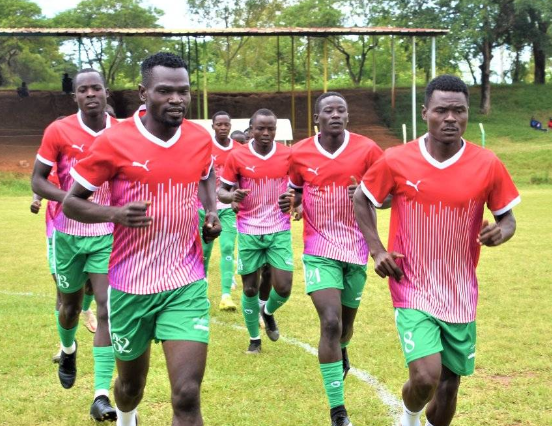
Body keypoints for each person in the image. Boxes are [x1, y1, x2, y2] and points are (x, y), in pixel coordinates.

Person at [63, 52, 221, 426]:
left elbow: (206, 176)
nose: (177, 99)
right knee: (130, 386)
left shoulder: (200, 138)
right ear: (143, 92)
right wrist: (115, 214)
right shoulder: (114, 141)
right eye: (165, 91)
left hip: (185, 284)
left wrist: (211, 210)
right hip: (131, 288)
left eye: (183, 91)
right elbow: (71, 203)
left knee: (186, 394)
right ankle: (126, 417)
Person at [354, 75, 520, 426]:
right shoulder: (396, 159)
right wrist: (377, 249)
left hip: (460, 291)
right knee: (425, 378)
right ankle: (409, 415)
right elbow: (362, 198)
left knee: (448, 385)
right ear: (425, 111)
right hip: (411, 283)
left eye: (459, 111)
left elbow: (507, 219)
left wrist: (500, 233)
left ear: (467, 114)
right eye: (442, 110)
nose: (450, 118)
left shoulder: (487, 163)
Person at [279, 92, 383, 426]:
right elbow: (293, 190)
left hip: (357, 248)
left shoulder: (368, 150)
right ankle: (338, 411)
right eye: (328, 110)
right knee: (330, 322)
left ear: (348, 117)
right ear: (317, 118)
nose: (335, 114)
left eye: (341, 110)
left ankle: (343, 348)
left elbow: (389, 195)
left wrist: (367, 196)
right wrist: (291, 203)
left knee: (346, 327)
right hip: (319, 249)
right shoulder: (300, 152)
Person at [31, 68, 117, 421]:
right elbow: (37, 180)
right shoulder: (59, 130)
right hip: (66, 234)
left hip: (109, 235)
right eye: (84, 90)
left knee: (106, 308)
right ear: (76, 96)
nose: (91, 94)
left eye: (96, 88)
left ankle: (100, 394)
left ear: (106, 92)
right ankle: (68, 349)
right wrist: (70, 198)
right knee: (68, 307)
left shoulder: (122, 132)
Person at [218, 108, 293, 354]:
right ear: (251, 129)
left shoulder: (287, 155)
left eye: (271, 128)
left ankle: (268, 311)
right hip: (249, 229)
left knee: (283, 287)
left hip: (279, 228)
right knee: (250, 288)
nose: (265, 133)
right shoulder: (237, 157)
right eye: (260, 128)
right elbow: (222, 191)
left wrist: (294, 199)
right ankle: (254, 340)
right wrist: (232, 196)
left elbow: (299, 187)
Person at [198, 111, 240, 311]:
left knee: (227, 248)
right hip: (205, 207)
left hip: (227, 208)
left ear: (230, 126)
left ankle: (226, 295)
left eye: (226, 124)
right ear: (213, 126)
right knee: (203, 251)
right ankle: (200, 292)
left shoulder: (239, 149)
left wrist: (236, 198)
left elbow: (242, 175)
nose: (223, 128)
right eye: (219, 124)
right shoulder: (205, 148)